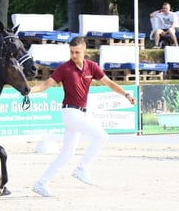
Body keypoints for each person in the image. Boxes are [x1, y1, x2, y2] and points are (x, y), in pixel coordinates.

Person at [29, 36, 136, 197]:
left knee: (67, 153)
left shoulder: (91, 67)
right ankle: (81, 169)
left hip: (80, 112)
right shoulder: (65, 68)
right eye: (71, 52)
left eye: (77, 52)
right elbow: (45, 85)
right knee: (102, 136)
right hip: (69, 112)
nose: (73, 55)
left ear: (84, 51)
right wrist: (28, 91)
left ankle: (41, 183)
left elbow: (110, 83)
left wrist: (126, 94)